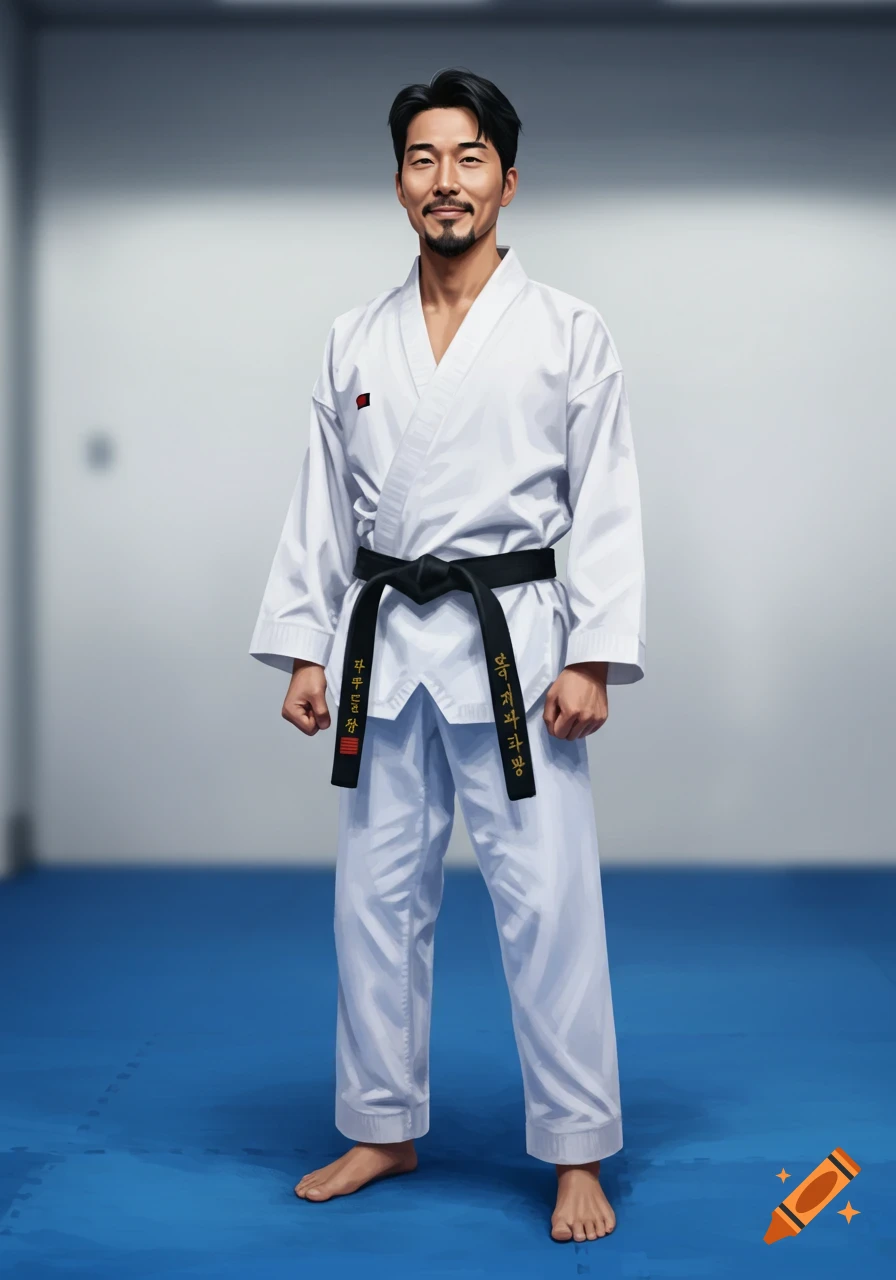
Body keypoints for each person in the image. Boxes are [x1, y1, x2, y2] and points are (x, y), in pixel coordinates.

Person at [249, 67, 647, 1244]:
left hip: (514, 645)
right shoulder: (350, 336)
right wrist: (303, 647)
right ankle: (381, 1120)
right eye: (423, 160)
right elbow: (322, 505)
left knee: (549, 900)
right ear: (398, 185)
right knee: (373, 896)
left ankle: (575, 1145)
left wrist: (594, 654)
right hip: (381, 638)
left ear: (506, 182)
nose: (445, 181)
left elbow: (609, 499)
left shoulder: (568, 330)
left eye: (467, 158)